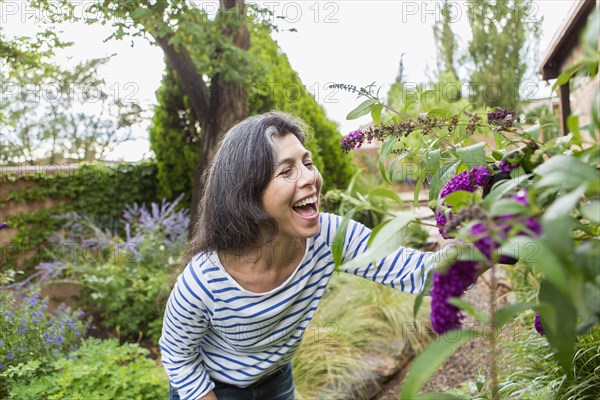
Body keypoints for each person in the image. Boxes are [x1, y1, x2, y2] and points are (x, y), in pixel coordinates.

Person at [160, 111, 439, 400]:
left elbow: (417, 271)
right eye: (286, 171)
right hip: (213, 387)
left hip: (277, 379)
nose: (310, 178)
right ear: (247, 194)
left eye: (307, 163)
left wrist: (482, 240)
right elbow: (178, 355)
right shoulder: (204, 280)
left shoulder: (329, 237)